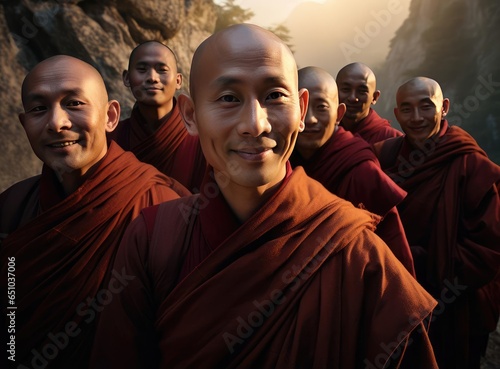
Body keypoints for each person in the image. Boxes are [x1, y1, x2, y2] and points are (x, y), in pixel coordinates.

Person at [91, 24, 438, 369]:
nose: (256, 124)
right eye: (229, 98)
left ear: (301, 111)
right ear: (191, 116)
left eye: (274, 96)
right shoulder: (152, 238)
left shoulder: (356, 252)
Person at [0, 55, 190, 369]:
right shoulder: (11, 206)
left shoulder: (160, 205)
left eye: (74, 103)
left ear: (111, 116)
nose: (56, 123)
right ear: (24, 124)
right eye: (38, 108)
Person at [374, 77, 500, 369]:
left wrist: (421, 263)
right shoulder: (386, 156)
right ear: (396, 114)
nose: (416, 118)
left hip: (454, 307)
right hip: (396, 300)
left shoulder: (472, 165)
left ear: (444, 107)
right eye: (407, 109)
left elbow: (488, 252)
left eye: (425, 106)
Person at [290, 66, 414, 274]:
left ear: (339, 113)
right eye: (300, 108)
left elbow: (395, 255)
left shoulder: (359, 169)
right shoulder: (278, 164)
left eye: (321, 108)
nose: (309, 119)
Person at [108, 40, 207, 192]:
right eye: (142, 69)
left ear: (178, 80)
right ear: (126, 78)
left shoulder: (203, 138)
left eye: (162, 70)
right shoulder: (112, 138)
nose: (152, 78)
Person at [335, 62, 403, 144]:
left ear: (374, 97)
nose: (353, 98)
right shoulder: (323, 134)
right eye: (346, 89)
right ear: (334, 93)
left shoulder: (391, 139)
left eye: (362, 91)